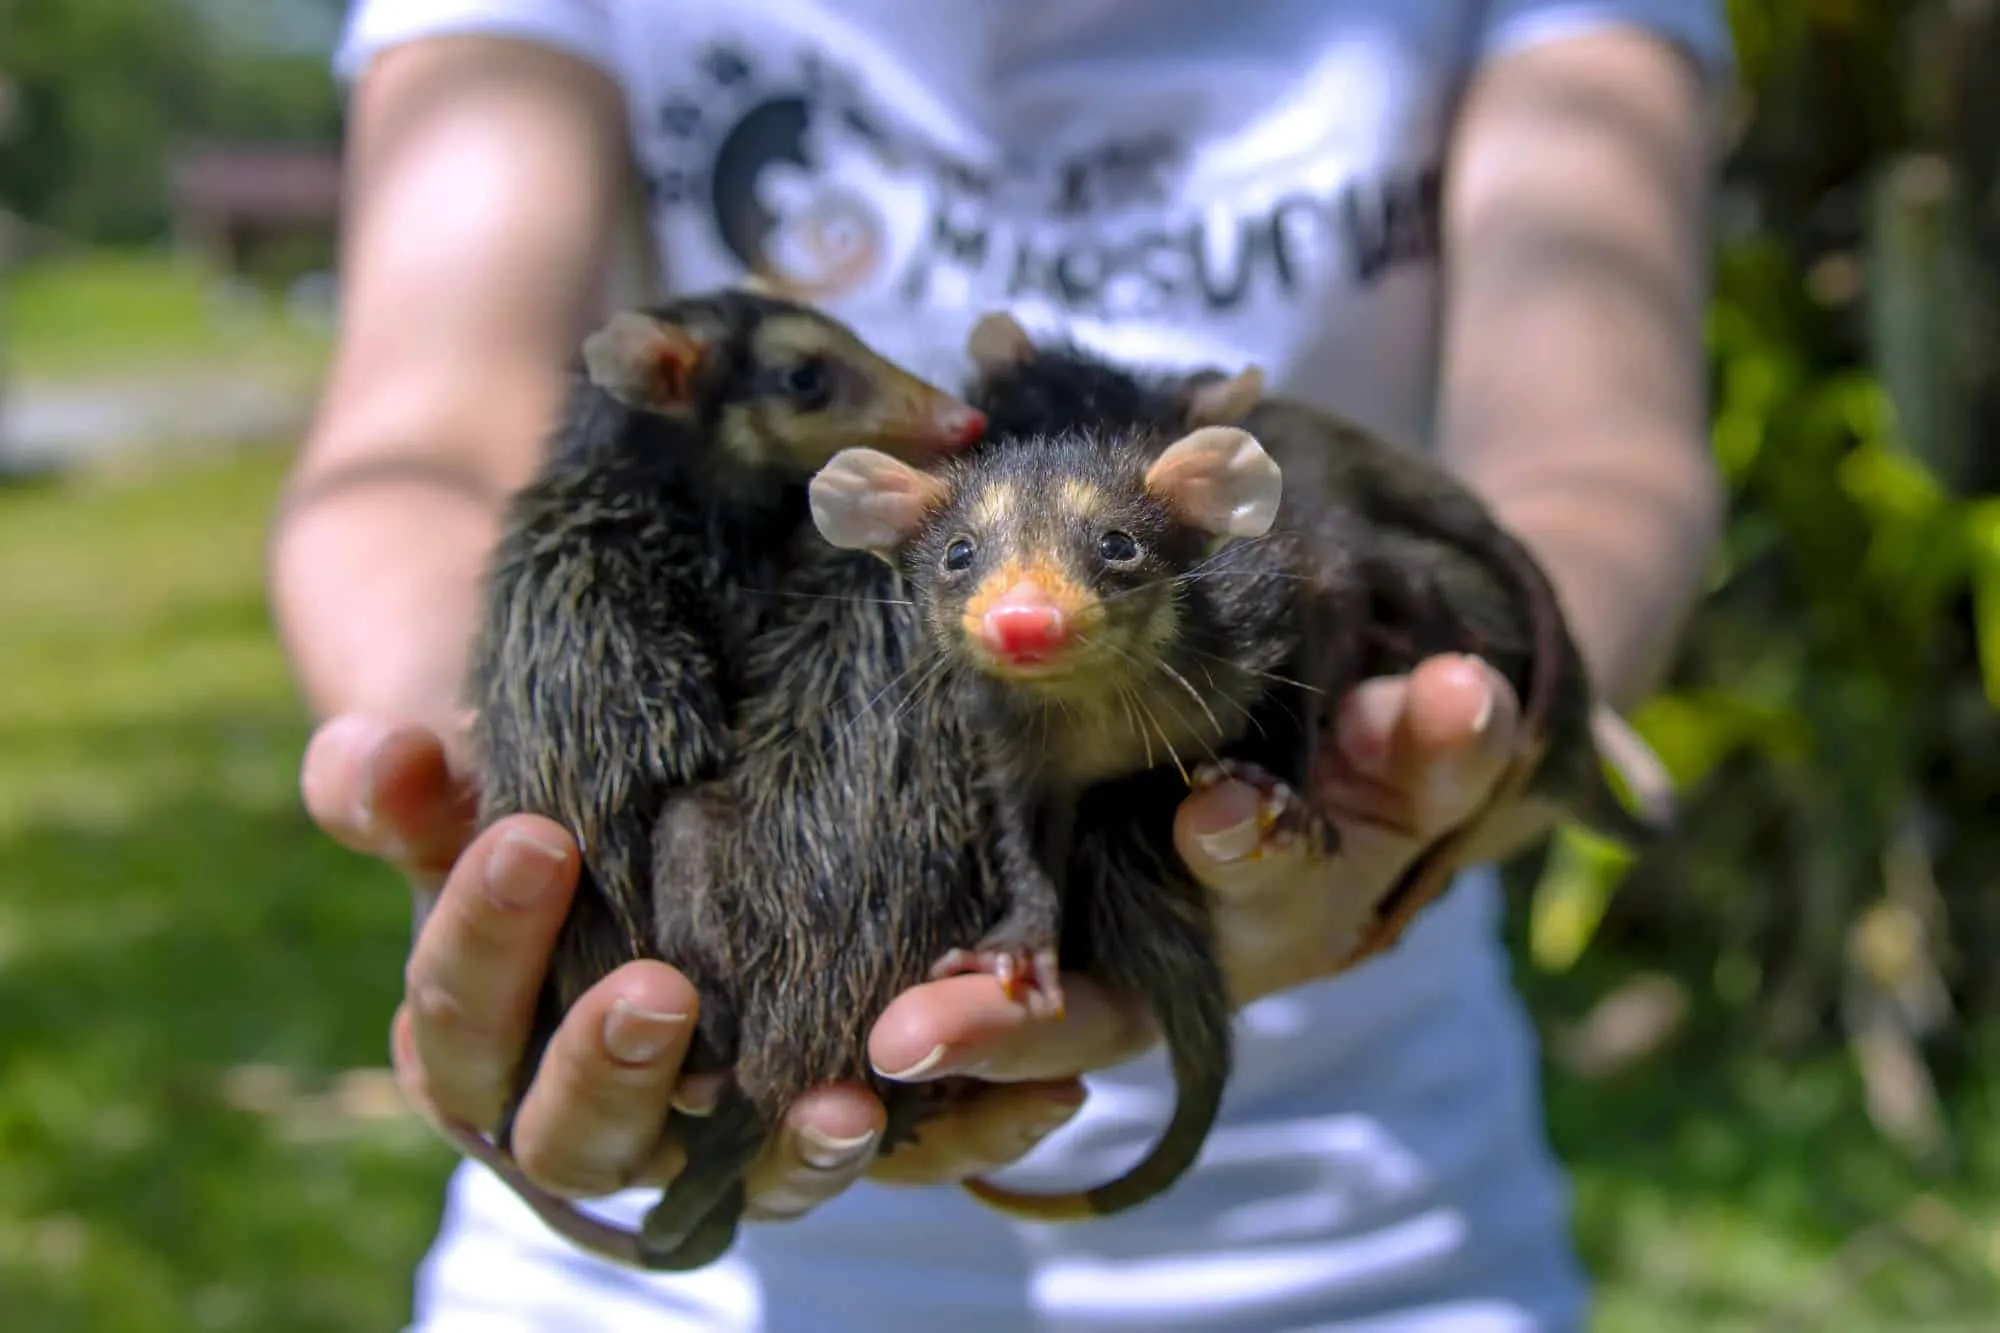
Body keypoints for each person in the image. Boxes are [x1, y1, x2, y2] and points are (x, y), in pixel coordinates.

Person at [272, 2, 1729, 1328]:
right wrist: (477, 752)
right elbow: (423, 440)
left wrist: (1455, 757)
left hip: (1373, 1223)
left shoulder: (1247, 571)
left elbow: (1592, 454)